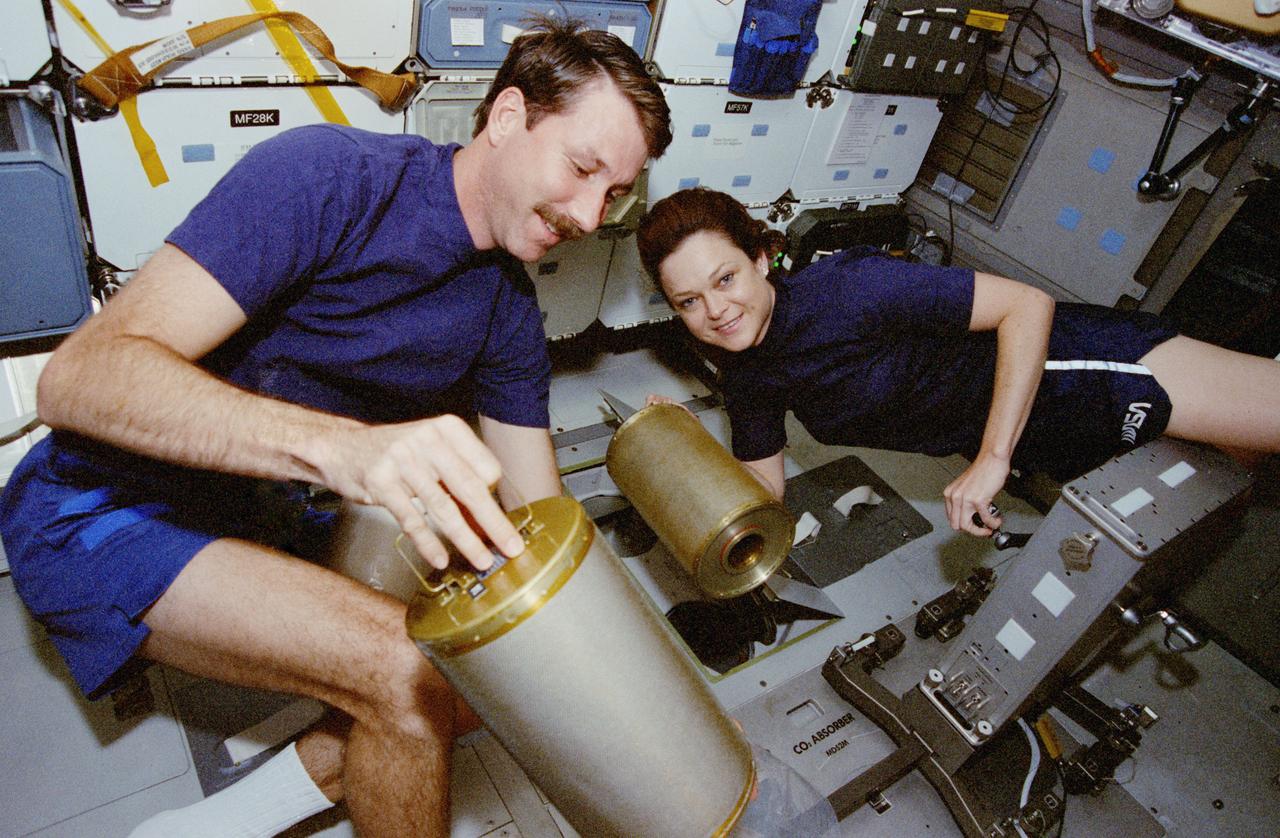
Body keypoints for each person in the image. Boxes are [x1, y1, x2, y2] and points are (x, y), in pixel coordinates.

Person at [0, 18, 670, 838]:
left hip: (260, 514)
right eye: (582, 168)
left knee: (492, 670)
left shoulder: (507, 312)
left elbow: (536, 534)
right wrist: (340, 446)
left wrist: (647, 688)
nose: (590, 214)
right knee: (402, 671)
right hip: (102, 507)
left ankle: (224, 823)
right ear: (505, 118)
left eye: (614, 193)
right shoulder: (329, 177)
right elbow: (78, 380)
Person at [636, 187, 1280, 538]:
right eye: (689, 301)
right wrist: (682, 447)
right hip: (1059, 440)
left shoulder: (849, 291)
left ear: (759, 256)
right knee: (1243, 473)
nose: (714, 311)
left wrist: (991, 457)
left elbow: (1027, 306)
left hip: (1101, 373)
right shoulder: (749, 370)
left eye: (724, 280)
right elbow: (764, 493)